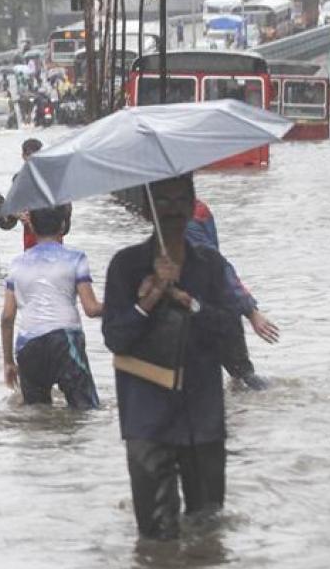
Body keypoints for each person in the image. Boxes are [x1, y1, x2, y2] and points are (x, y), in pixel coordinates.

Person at [102, 173, 240, 541]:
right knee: (155, 540)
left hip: (203, 417)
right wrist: (150, 298)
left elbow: (229, 329)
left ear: (193, 203)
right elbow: (115, 338)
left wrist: (188, 302)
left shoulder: (209, 264)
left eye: (181, 199)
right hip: (147, 420)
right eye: (163, 201)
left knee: (208, 532)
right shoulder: (126, 266)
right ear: (147, 209)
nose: (173, 209)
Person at [1, 205, 103, 409]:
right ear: (63, 225)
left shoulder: (17, 264)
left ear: (31, 226)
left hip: (28, 346)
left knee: (37, 415)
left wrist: (9, 362)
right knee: (86, 410)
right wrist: (127, 303)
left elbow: (7, 317)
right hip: (65, 341)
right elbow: (91, 309)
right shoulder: (76, 259)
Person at [185, 198, 279, 389]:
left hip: (210, 308)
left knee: (243, 380)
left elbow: (218, 266)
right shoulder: (198, 208)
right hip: (216, 305)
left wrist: (251, 311)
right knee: (240, 379)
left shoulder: (187, 222)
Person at [16, 139, 71, 251]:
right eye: (30, 156)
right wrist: (19, 215)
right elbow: (13, 207)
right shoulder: (19, 179)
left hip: (53, 231)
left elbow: (67, 204)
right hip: (31, 233)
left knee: (55, 261)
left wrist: (65, 222)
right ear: (23, 156)